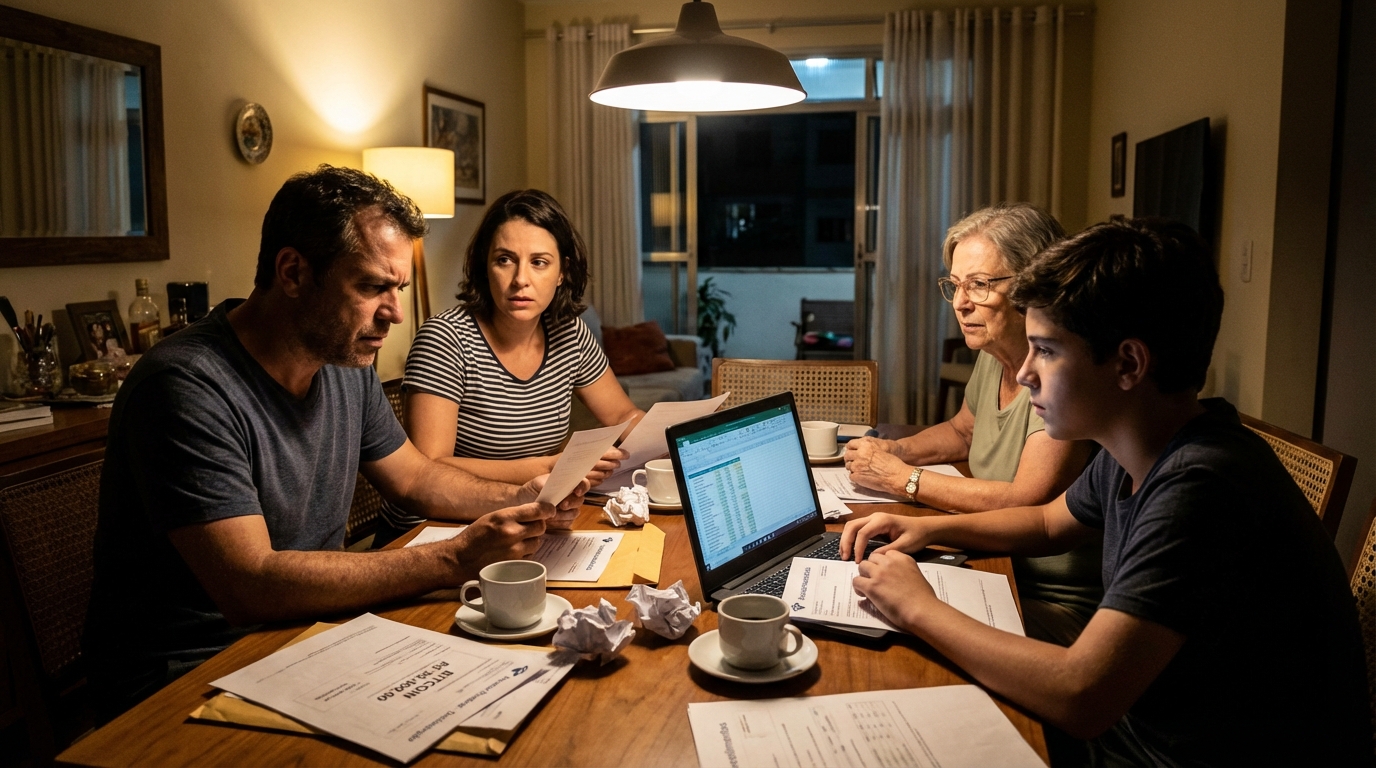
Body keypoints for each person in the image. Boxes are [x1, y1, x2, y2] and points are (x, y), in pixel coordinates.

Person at [841, 217, 1370, 766]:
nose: (1024, 374)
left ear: (1128, 364)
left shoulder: (1201, 486)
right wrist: (925, 527)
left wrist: (918, 606)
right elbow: (1047, 523)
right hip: (1135, 729)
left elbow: (1081, 697)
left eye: (1046, 350)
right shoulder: (1140, 443)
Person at [83, 166, 584, 720]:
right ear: (294, 272)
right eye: (372, 286)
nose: (394, 313)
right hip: (185, 680)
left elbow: (415, 477)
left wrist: (522, 500)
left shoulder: (345, 361)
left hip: (306, 637)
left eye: (398, 289)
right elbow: (250, 584)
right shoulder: (186, 385)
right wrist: (455, 558)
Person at [844, 203, 1099, 644]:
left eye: (979, 285)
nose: (961, 303)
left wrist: (905, 479)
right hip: (988, 563)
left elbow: (1028, 501)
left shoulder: (1065, 379)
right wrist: (896, 451)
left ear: (1033, 282)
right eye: (956, 286)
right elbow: (963, 431)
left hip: (1041, 592)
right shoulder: (994, 354)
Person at [379, 189, 643, 544]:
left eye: (539, 262)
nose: (521, 279)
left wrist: (683, 436)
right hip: (431, 532)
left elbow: (622, 414)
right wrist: (547, 468)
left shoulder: (569, 333)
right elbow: (428, 465)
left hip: (526, 520)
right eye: (505, 259)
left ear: (563, 271)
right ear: (483, 267)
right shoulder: (445, 338)